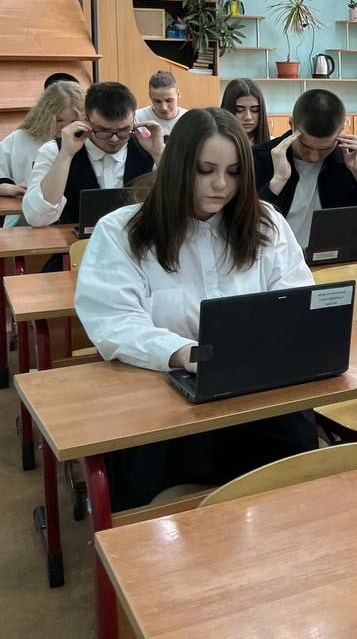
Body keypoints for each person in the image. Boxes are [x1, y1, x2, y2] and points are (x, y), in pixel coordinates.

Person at [75, 108, 317, 510]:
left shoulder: (266, 223)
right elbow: (114, 320)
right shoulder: (121, 231)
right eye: (205, 170)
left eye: (234, 172)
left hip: (252, 391)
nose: (221, 184)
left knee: (296, 467)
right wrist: (181, 352)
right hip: (159, 398)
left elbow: (295, 297)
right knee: (146, 495)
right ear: (177, 167)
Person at [252, 89, 357, 249]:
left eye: (324, 149)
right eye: (306, 146)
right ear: (292, 124)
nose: (314, 157)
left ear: (340, 131)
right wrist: (277, 181)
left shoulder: (354, 157)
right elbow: (246, 225)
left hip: (339, 256)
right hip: (277, 257)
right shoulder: (260, 158)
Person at [23, 81, 165, 227]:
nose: (114, 139)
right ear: (86, 120)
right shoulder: (55, 150)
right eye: (104, 130)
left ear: (134, 121)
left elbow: (176, 205)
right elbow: (36, 218)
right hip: (71, 240)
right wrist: (65, 156)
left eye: (123, 130)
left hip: (135, 238)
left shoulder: (149, 148)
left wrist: (160, 154)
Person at [0, 81, 84, 226]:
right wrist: (8, 188)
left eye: (74, 121)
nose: (66, 128)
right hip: (27, 223)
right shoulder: (21, 138)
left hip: (74, 220)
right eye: (59, 120)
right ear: (44, 115)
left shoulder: (89, 141)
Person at [134, 70, 187, 138]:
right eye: (157, 101)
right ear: (150, 96)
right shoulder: (137, 118)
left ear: (178, 94)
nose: (164, 108)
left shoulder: (190, 119)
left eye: (169, 100)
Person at [220, 78, 270, 146]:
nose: (248, 117)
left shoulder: (274, 146)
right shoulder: (214, 145)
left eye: (255, 110)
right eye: (239, 110)